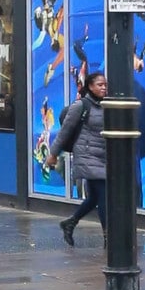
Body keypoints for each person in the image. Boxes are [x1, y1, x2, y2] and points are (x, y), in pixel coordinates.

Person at [54, 72, 108, 246]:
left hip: (102, 157)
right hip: (87, 157)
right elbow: (64, 132)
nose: (103, 88)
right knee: (104, 196)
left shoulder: (105, 105)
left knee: (94, 197)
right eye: (99, 85)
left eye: (105, 84)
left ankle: (70, 222)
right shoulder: (81, 105)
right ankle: (109, 236)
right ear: (90, 86)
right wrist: (53, 154)